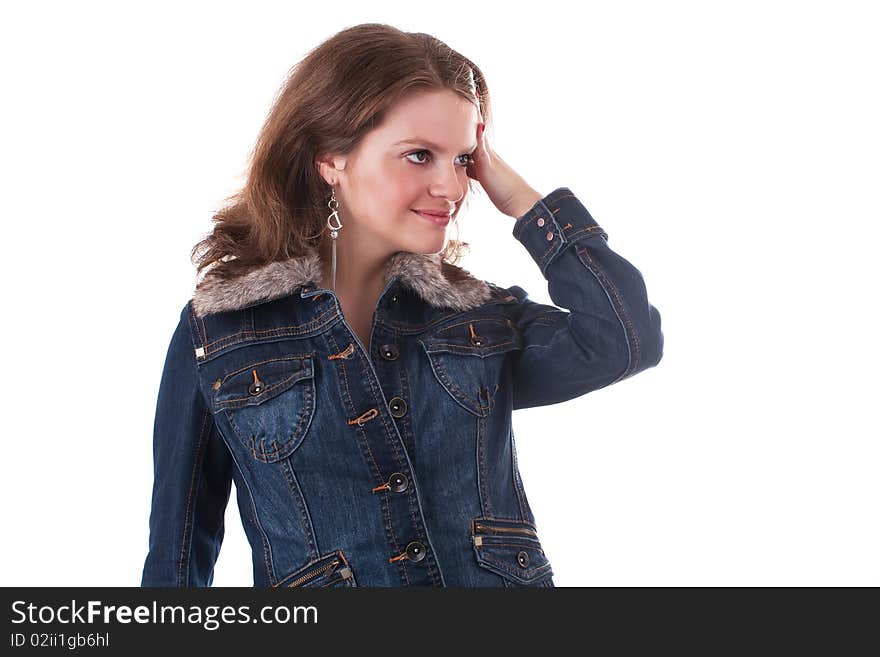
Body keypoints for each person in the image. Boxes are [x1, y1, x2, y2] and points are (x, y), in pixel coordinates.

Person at [140, 23, 663, 588]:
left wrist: (522, 201)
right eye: (419, 155)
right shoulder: (218, 333)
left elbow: (624, 340)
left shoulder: (473, 315)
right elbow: (177, 559)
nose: (454, 187)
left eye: (463, 158)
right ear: (329, 159)